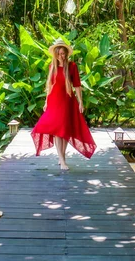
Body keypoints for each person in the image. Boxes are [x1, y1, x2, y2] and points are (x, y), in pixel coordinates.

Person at [31, 38, 97, 170]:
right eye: (59, 53)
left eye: (63, 53)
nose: (62, 55)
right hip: (54, 101)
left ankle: (62, 158)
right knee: (56, 130)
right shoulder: (52, 66)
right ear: (55, 53)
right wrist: (46, 102)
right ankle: (61, 159)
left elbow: (77, 85)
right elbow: (50, 86)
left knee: (65, 130)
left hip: (67, 101)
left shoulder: (72, 66)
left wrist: (80, 102)